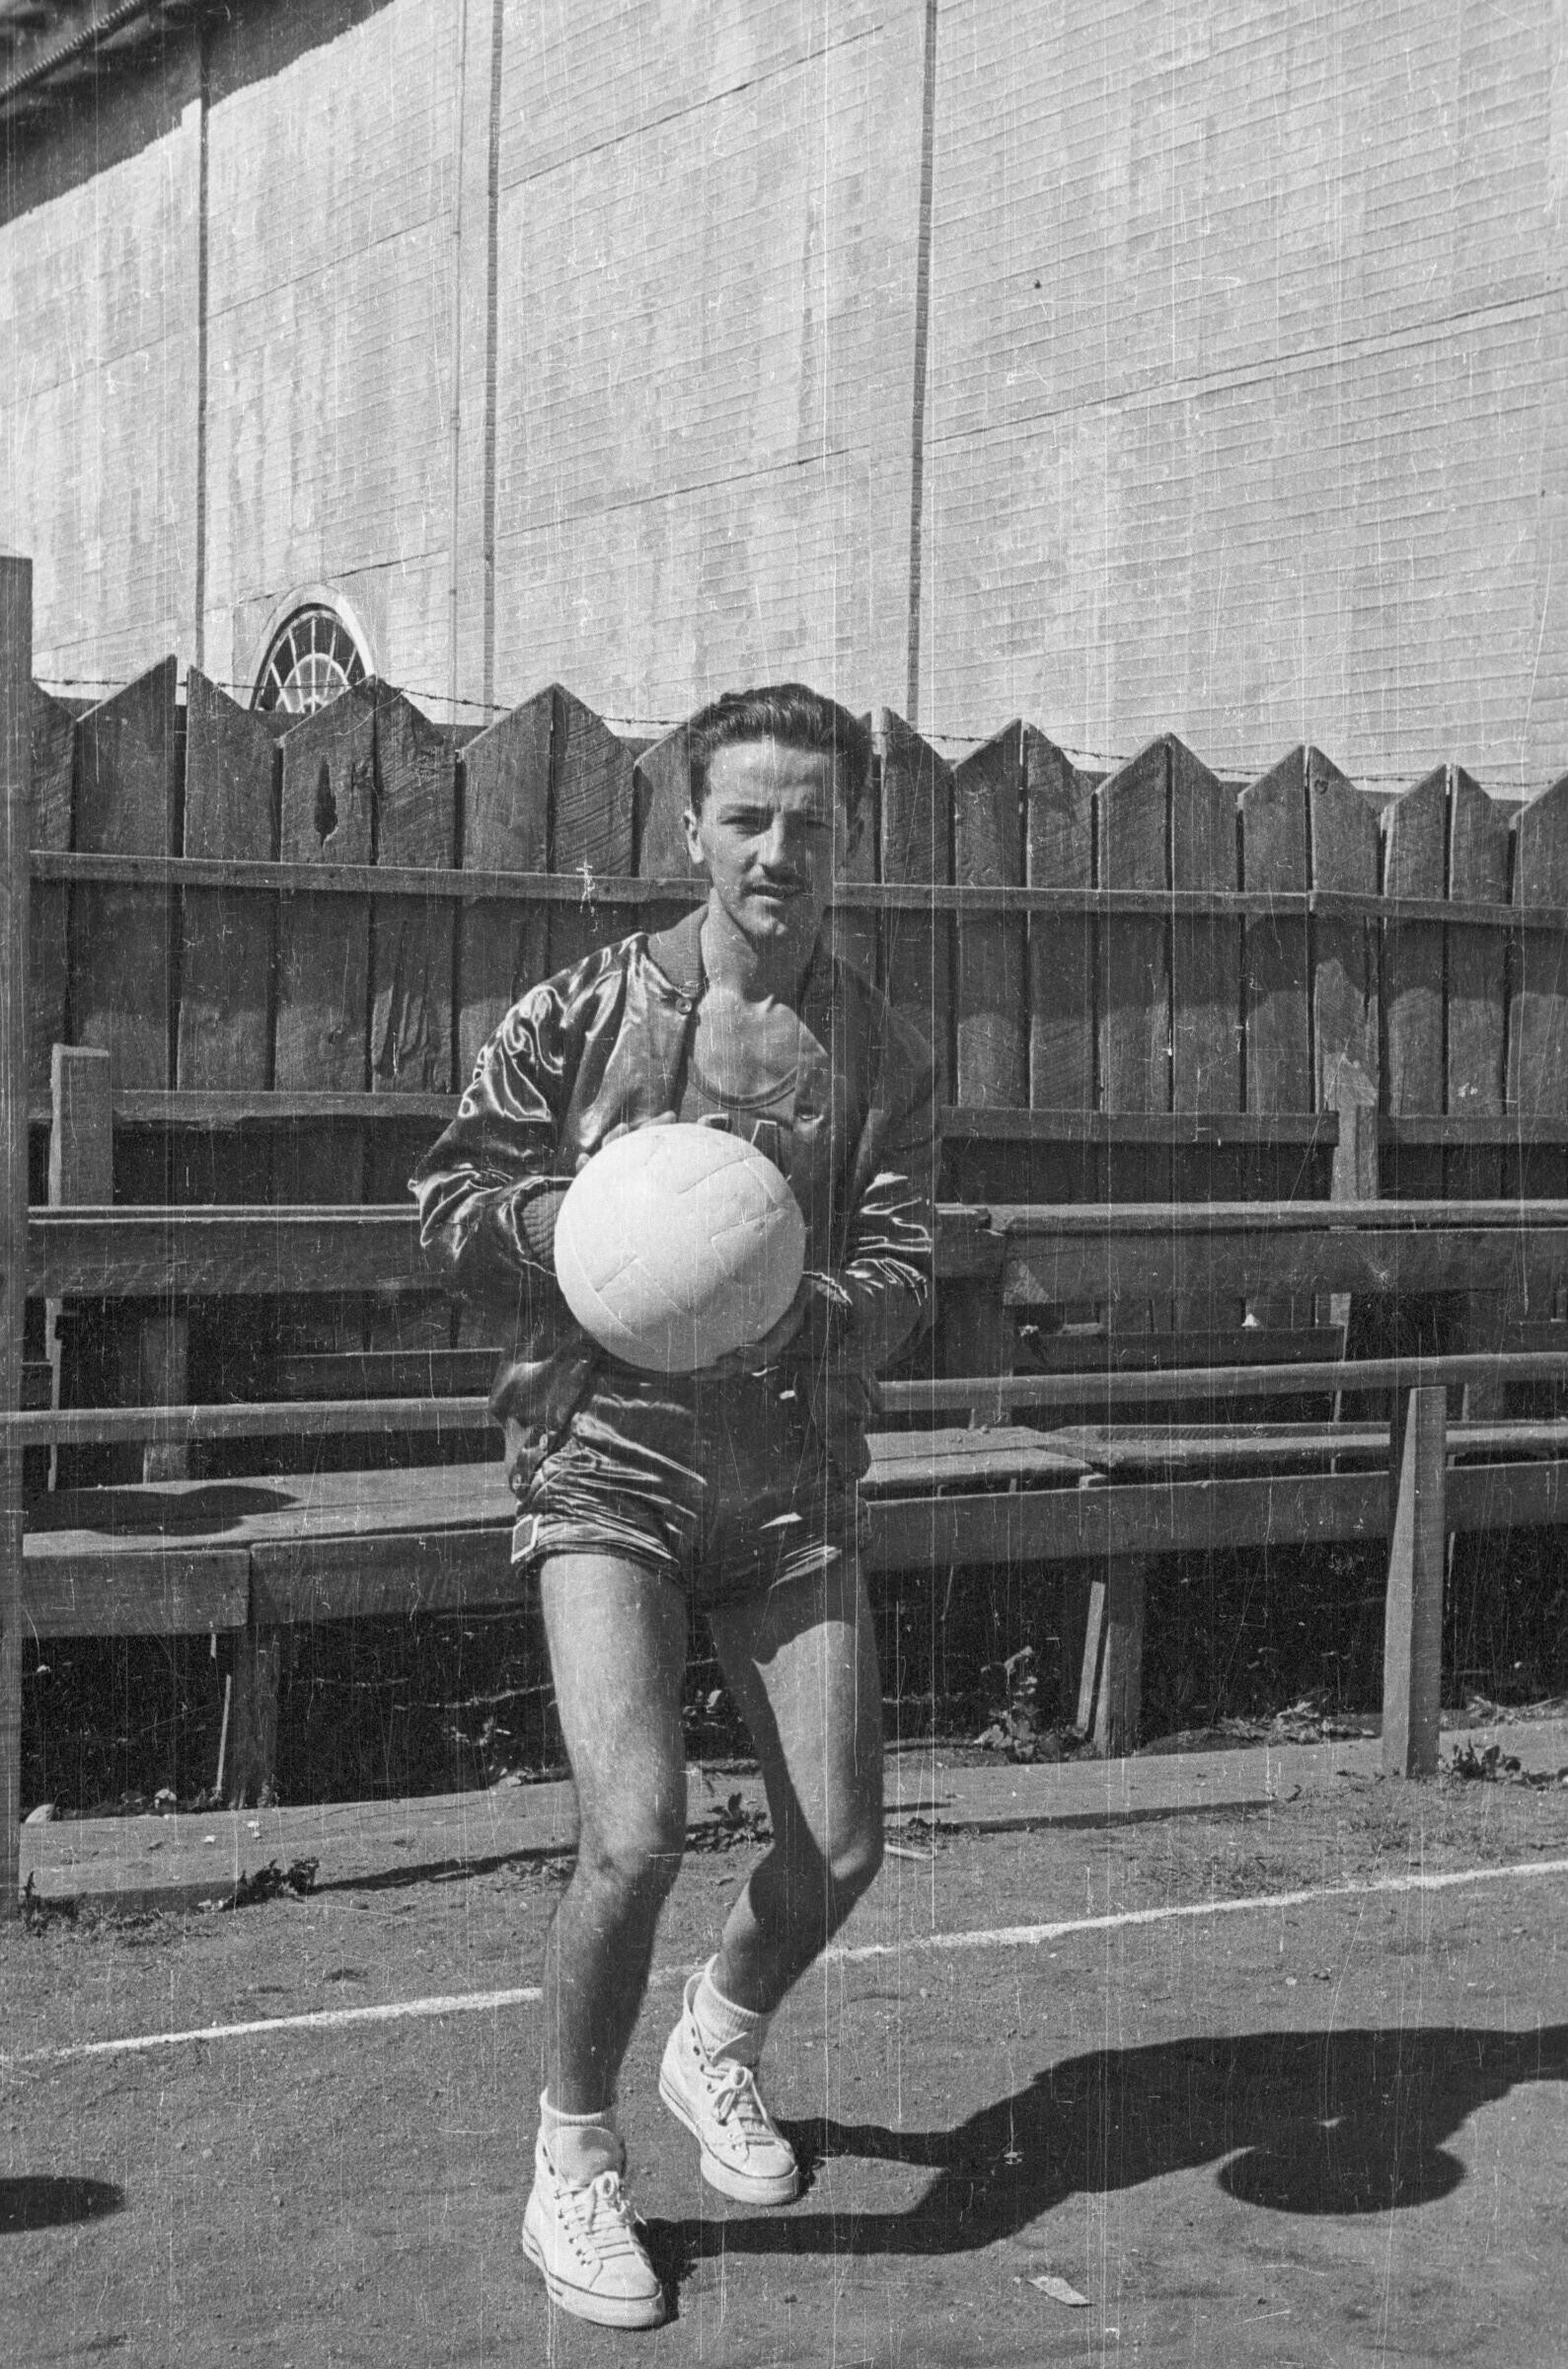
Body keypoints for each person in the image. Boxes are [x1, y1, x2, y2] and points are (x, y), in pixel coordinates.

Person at [411, 683, 939, 2329]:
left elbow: (911, 1265)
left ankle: (716, 2036)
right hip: (609, 1458)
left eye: (812, 824)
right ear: (692, 828)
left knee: (840, 1843)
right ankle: (572, 2161)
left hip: (785, 1473)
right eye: (748, 819)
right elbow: (445, 1195)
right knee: (634, 1827)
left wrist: (803, 1307)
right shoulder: (581, 1010)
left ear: (845, 839)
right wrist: (591, 1226)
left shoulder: (883, 1050)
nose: (779, 851)